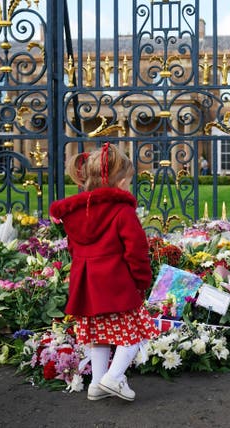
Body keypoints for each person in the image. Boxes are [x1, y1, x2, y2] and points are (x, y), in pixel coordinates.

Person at [49, 143, 159, 401]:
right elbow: (136, 250)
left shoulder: (74, 213)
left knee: (98, 336)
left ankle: (97, 384)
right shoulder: (122, 210)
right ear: (119, 182)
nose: (129, 187)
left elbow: (74, 250)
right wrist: (142, 280)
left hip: (87, 286)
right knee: (134, 333)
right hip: (117, 284)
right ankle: (114, 377)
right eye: (129, 181)